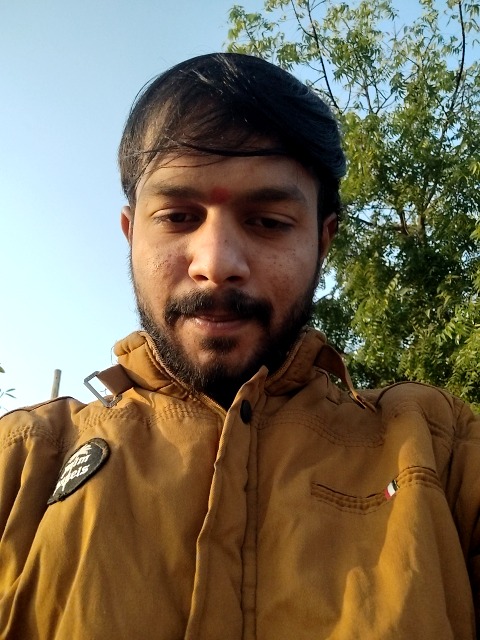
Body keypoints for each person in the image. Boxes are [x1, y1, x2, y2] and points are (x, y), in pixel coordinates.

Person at [0, 53, 478, 640]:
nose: (217, 263)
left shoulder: (442, 453)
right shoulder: (22, 464)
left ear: (322, 242)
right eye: (179, 217)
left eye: (269, 221)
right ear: (130, 233)